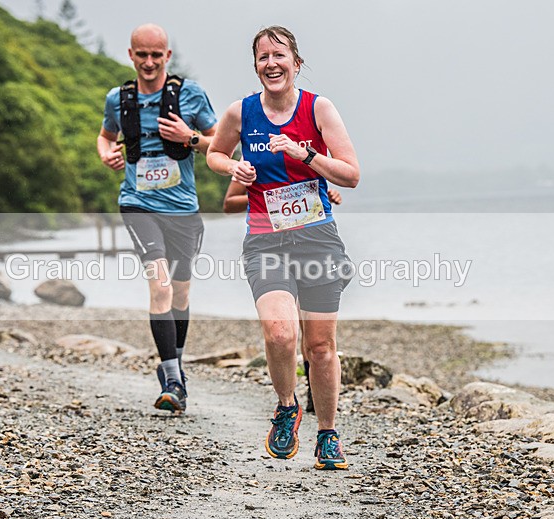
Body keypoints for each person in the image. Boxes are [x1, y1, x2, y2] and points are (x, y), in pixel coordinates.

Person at [207, 26, 359, 470]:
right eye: (262, 57)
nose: (271, 64)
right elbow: (215, 153)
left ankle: (328, 434)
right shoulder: (242, 111)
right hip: (265, 240)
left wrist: (305, 154)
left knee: (320, 347)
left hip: (317, 241)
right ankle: (286, 406)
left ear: (296, 61)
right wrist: (234, 165)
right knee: (279, 333)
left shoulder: (318, 108)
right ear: (255, 65)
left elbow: (350, 174)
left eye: (279, 55)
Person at [97, 23, 218, 414]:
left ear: (167, 56)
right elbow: (105, 136)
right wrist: (106, 153)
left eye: (156, 55)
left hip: (183, 210)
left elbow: (221, 145)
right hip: (138, 205)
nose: (148, 62)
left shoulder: (191, 95)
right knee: (161, 287)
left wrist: (190, 136)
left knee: (180, 293)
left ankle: (173, 366)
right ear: (131, 55)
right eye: (141, 55)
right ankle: (173, 380)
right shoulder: (118, 99)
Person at [222, 180, 343, 414]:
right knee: (284, 329)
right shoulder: (253, 157)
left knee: (314, 334)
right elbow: (229, 204)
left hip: (311, 246)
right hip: (270, 247)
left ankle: (312, 390)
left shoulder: (306, 154)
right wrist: (268, 198)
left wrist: (319, 195)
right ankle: (289, 400)